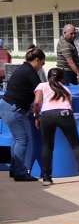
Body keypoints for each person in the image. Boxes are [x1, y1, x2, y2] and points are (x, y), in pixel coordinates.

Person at [32, 68, 79, 187]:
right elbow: (70, 106)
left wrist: (37, 116)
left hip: (47, 115)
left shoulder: (42, 85)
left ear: (48, 77)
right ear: (62, 79)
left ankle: (46, 177)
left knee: (47, 145)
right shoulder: (66, 89)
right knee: (75, 144)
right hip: (65, 114)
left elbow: (36, 102)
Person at [0, 44, 45, 181]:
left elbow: (21, 91)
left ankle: (15, 169)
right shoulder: (30, 72)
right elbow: (39, 95)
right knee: (22, 140)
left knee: (17, 139)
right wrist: (37, 113)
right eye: (42, 63)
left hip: (8, 106)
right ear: (37, 60)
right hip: (13, 109)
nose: (42, 66)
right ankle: (20, 173)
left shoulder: (23, 68)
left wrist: (28, 107)